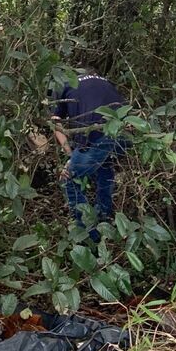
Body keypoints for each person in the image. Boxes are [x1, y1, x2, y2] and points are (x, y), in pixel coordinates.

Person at [51, 71, 127, 237]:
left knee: (68, 179)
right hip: (125, 131)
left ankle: (89, 235)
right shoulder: (101, 79)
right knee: (104, 166)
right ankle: (105, 218)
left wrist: (70, 155)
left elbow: (55, 123)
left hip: (97, 132)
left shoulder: (60, 85)